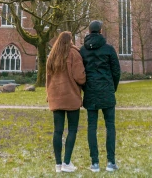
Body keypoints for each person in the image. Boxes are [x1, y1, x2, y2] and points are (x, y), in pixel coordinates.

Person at [80, 20, 121, 173]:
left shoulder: (82, 51)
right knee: (110, 126)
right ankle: (111, 162)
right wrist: (112, 87)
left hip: (91, 92)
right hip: (106, 91)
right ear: (101, 31)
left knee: (92, 126)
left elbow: (80, 73)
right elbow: (116, 71)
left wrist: (86, 88)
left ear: (89, 31)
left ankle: (94, 163)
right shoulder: (109, 49)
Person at [46, 31, 86, 173]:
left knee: (57, 131)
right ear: (70, 41)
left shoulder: (52, 56)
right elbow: (80, 77)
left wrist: (48, 94)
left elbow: (48, 79)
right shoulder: (74, 54)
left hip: (55, 96)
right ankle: (66, 162)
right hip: (71, 97)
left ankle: (57, 165)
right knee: (72, 129)